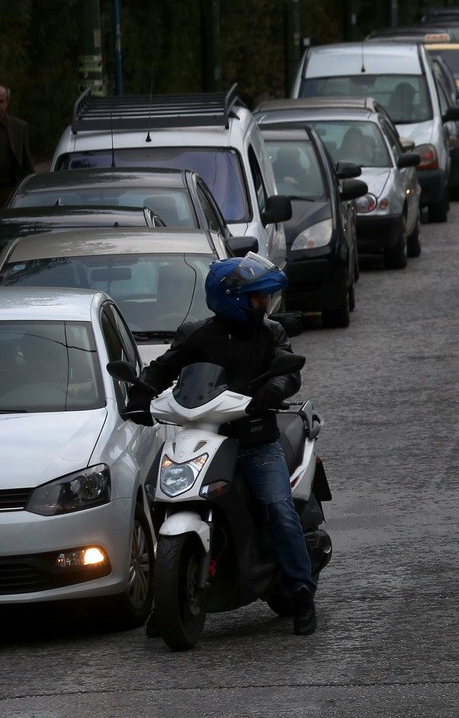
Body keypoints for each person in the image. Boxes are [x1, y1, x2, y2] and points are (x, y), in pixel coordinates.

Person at [126, 254, 319, 635]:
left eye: (264, 298)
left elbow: (289, 371)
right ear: (231, 297)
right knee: (160, 497)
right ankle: (168, 597)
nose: (263, 304)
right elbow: (165, 366)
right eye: (256, 298)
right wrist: (139, 393)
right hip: (205, 436)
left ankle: (301, 593)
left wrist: (274, 388)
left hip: (255, 439)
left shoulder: (270, 333)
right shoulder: (197, 334)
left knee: (279, 510)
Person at [0, 84, 36, 211]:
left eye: (0, 101)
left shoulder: (19, 127)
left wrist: (32, 191)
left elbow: (27, 163)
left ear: (7, 103)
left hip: (12, 192)